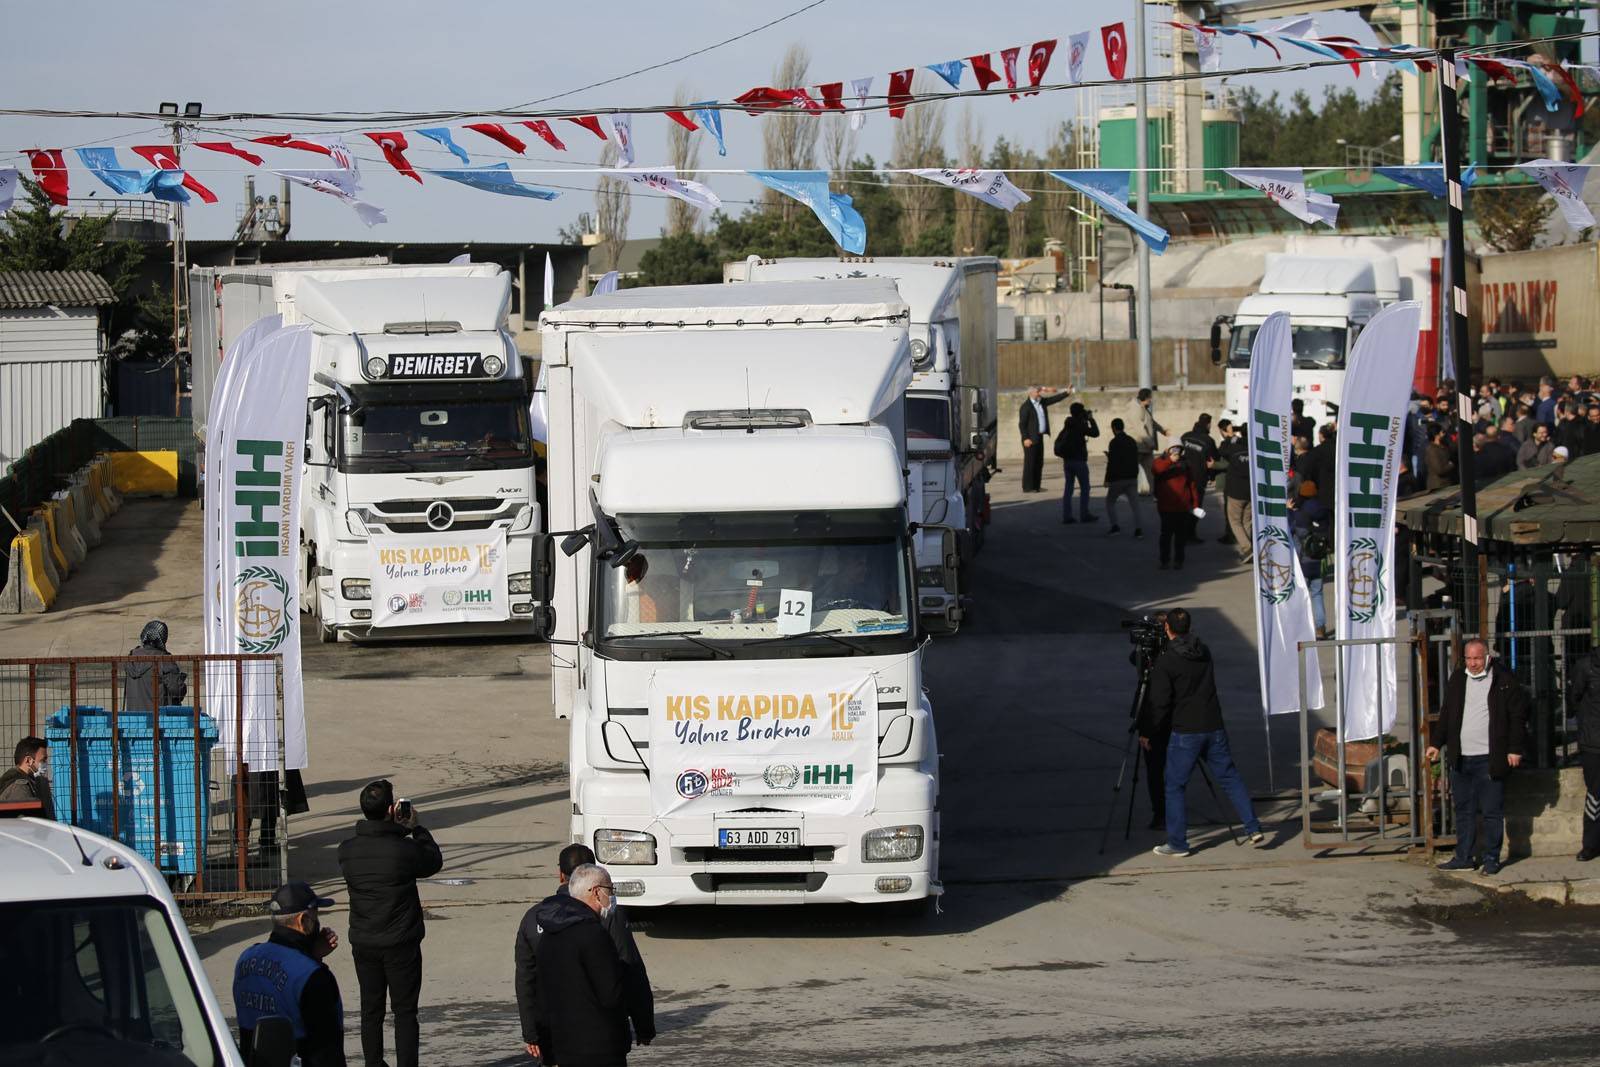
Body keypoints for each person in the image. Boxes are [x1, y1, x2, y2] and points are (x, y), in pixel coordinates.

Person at [1137, 608, 1266, 856]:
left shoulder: (1167, 661)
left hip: (1186, 731)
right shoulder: (1203, 651)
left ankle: (1177, 842)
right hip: (1213, 725)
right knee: (1230, 777)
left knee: (1174, 786)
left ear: (1167, 629)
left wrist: (1149, 731)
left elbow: (1160, 702)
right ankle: (1252, 827)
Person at [338, 779, 444, 1067]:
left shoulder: (347, 850)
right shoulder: (403, 849)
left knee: (370, 1010)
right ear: (390, 809)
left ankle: (373, 1063)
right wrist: (415, 828)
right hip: (400, 942)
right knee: (405, 1012)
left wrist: (397, 830)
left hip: (364, 940)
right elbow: (433, 861)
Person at [515, 844, 655, 1063]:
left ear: (561, 874)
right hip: (599, 1042)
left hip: (557, 1038)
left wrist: (532, 1033)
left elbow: (527, 980)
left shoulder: (536, 918)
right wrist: (643, 1024)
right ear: (596, 888)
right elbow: (629, 971)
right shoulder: (603, 921)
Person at [1425, 639, 1530, 875]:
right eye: (1469, 659)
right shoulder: (1459, 679)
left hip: (1489, 758)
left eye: (1477, 658)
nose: (1473, 664)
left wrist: (1514, 749)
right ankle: (1464, 856)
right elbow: (1447, 713)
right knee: (1464, 810)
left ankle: (1491, 858)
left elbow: (1517, 717)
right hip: (1462, 758)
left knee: (1492, 811)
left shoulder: (1503, 680)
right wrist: (1436, 742)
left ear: (1487, 657)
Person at [234, 881, 346, 1067]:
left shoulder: (246, 959)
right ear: (303, 921)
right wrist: (313, 961)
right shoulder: (314, 977)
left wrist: (311, 955)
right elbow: (326, 1051)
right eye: (315, 917)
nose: (318, 923)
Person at [533, 864, 633, 1067]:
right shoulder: (593, 934)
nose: (611, 897)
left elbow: (541, 993)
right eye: (610, 890)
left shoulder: (549, 934)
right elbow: (611, 994)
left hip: (561, 1045)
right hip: (598, 1047)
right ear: (597, 892)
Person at [1567, 642, 1600, 862]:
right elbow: (1574, 698)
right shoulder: (1586, 666)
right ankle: (1590, 845)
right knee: (1596, 794)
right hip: (1594, 742)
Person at [1287, 481, 1332, 637]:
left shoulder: (1300, 515)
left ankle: (1301, 628)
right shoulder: (1324, 512)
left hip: (1303, 563)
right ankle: (1320, 628)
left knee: (1301, 596)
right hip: (1320, 562)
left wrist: (1288, 511)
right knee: (1317, 594)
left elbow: (1291, 529)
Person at [123, 619, 187, 711]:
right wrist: (182, 684)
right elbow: (177, 690)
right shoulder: (164, 660)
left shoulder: (132, 656)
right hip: (159, 718)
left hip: (134, 719)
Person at [1152, 446, 1199, 572]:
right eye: (1173, 449)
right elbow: (1156, 470)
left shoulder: (1185, 464)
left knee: (1180, 536)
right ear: (1167, 450)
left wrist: (1195, 504)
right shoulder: (1160, 461)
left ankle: (1179, 560)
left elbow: (1192, 485)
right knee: (1166, 535)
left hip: (1182, 506)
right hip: (1165, 506)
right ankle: (1164, 560)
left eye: (1178, 449)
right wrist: (1170, 461)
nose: (1176, 452)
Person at [1018, 385, 1070, 493]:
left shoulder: (1041, 402)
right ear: (1031, 393)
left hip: (1039, 437)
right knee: (1030, 463)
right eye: (1037, 392)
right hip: (1030, 440)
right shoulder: (1026, 407)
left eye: (1039, 392)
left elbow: (1053, 399)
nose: (1039, 394)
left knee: (1039, 462)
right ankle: (1027, 487)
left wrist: (1066, 393)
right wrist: (1025, 438)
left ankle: (1036, 486)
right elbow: (1022, 425)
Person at [1053, 401, 1099, 524]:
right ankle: (1084, 514)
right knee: (1085, 487)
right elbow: (1095, 433)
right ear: (1080, 413)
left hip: (1067, 461)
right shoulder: (1080, 425)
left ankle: (1066, 516)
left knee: (1068, 488)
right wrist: (1091, 420)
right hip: (1079, 461)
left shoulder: (1068, 424)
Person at [1103, 418, 1144, 538]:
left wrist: (1107, 479)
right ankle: (1138, 529)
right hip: (1131, 477)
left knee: (1110, 502)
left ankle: (1115, 527)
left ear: (1114, 428)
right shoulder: (1131, 440)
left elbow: (1113, 462)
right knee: (1135, 504)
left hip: (1118, 478)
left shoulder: (1114, 442)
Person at [1180, 415, 1218, 544]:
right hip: (1199, 479)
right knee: (1196, 506)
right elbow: (1214, 459)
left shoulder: (1185, 436)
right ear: (1208, 424)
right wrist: (1212, 476)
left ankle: (1182, 533)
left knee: (1184, 505)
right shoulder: (1208, 440)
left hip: (1183, 477)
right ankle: (1190, 534)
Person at [1125, 387, 1166, 496]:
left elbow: (1151, 422)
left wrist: (1163, 430)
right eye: (1150, 398)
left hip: (1145, 448)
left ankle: (1153, 492)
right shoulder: (1135, 409)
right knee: (1132, 472)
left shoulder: (1144, 408)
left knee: (1151, 471)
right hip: (1138, 446)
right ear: (1145, 398)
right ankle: (1130, 492)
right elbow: (1140, 429)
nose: (1151, 400)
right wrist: (1150, 442)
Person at [0, 737, 53, 818]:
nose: (46, 763)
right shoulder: (20, 787)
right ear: (28, 760)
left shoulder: (26, 780)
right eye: (43, 760)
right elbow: (26, 824)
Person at [1424, 424, 1456, 490]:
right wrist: (1451, 464)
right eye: (1442, 432)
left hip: (1447, 482)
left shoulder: (1444, 445)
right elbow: (1439, 470)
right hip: (1438, 485)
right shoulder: (1432, 450)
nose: (1444, 433)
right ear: (1436, 435)